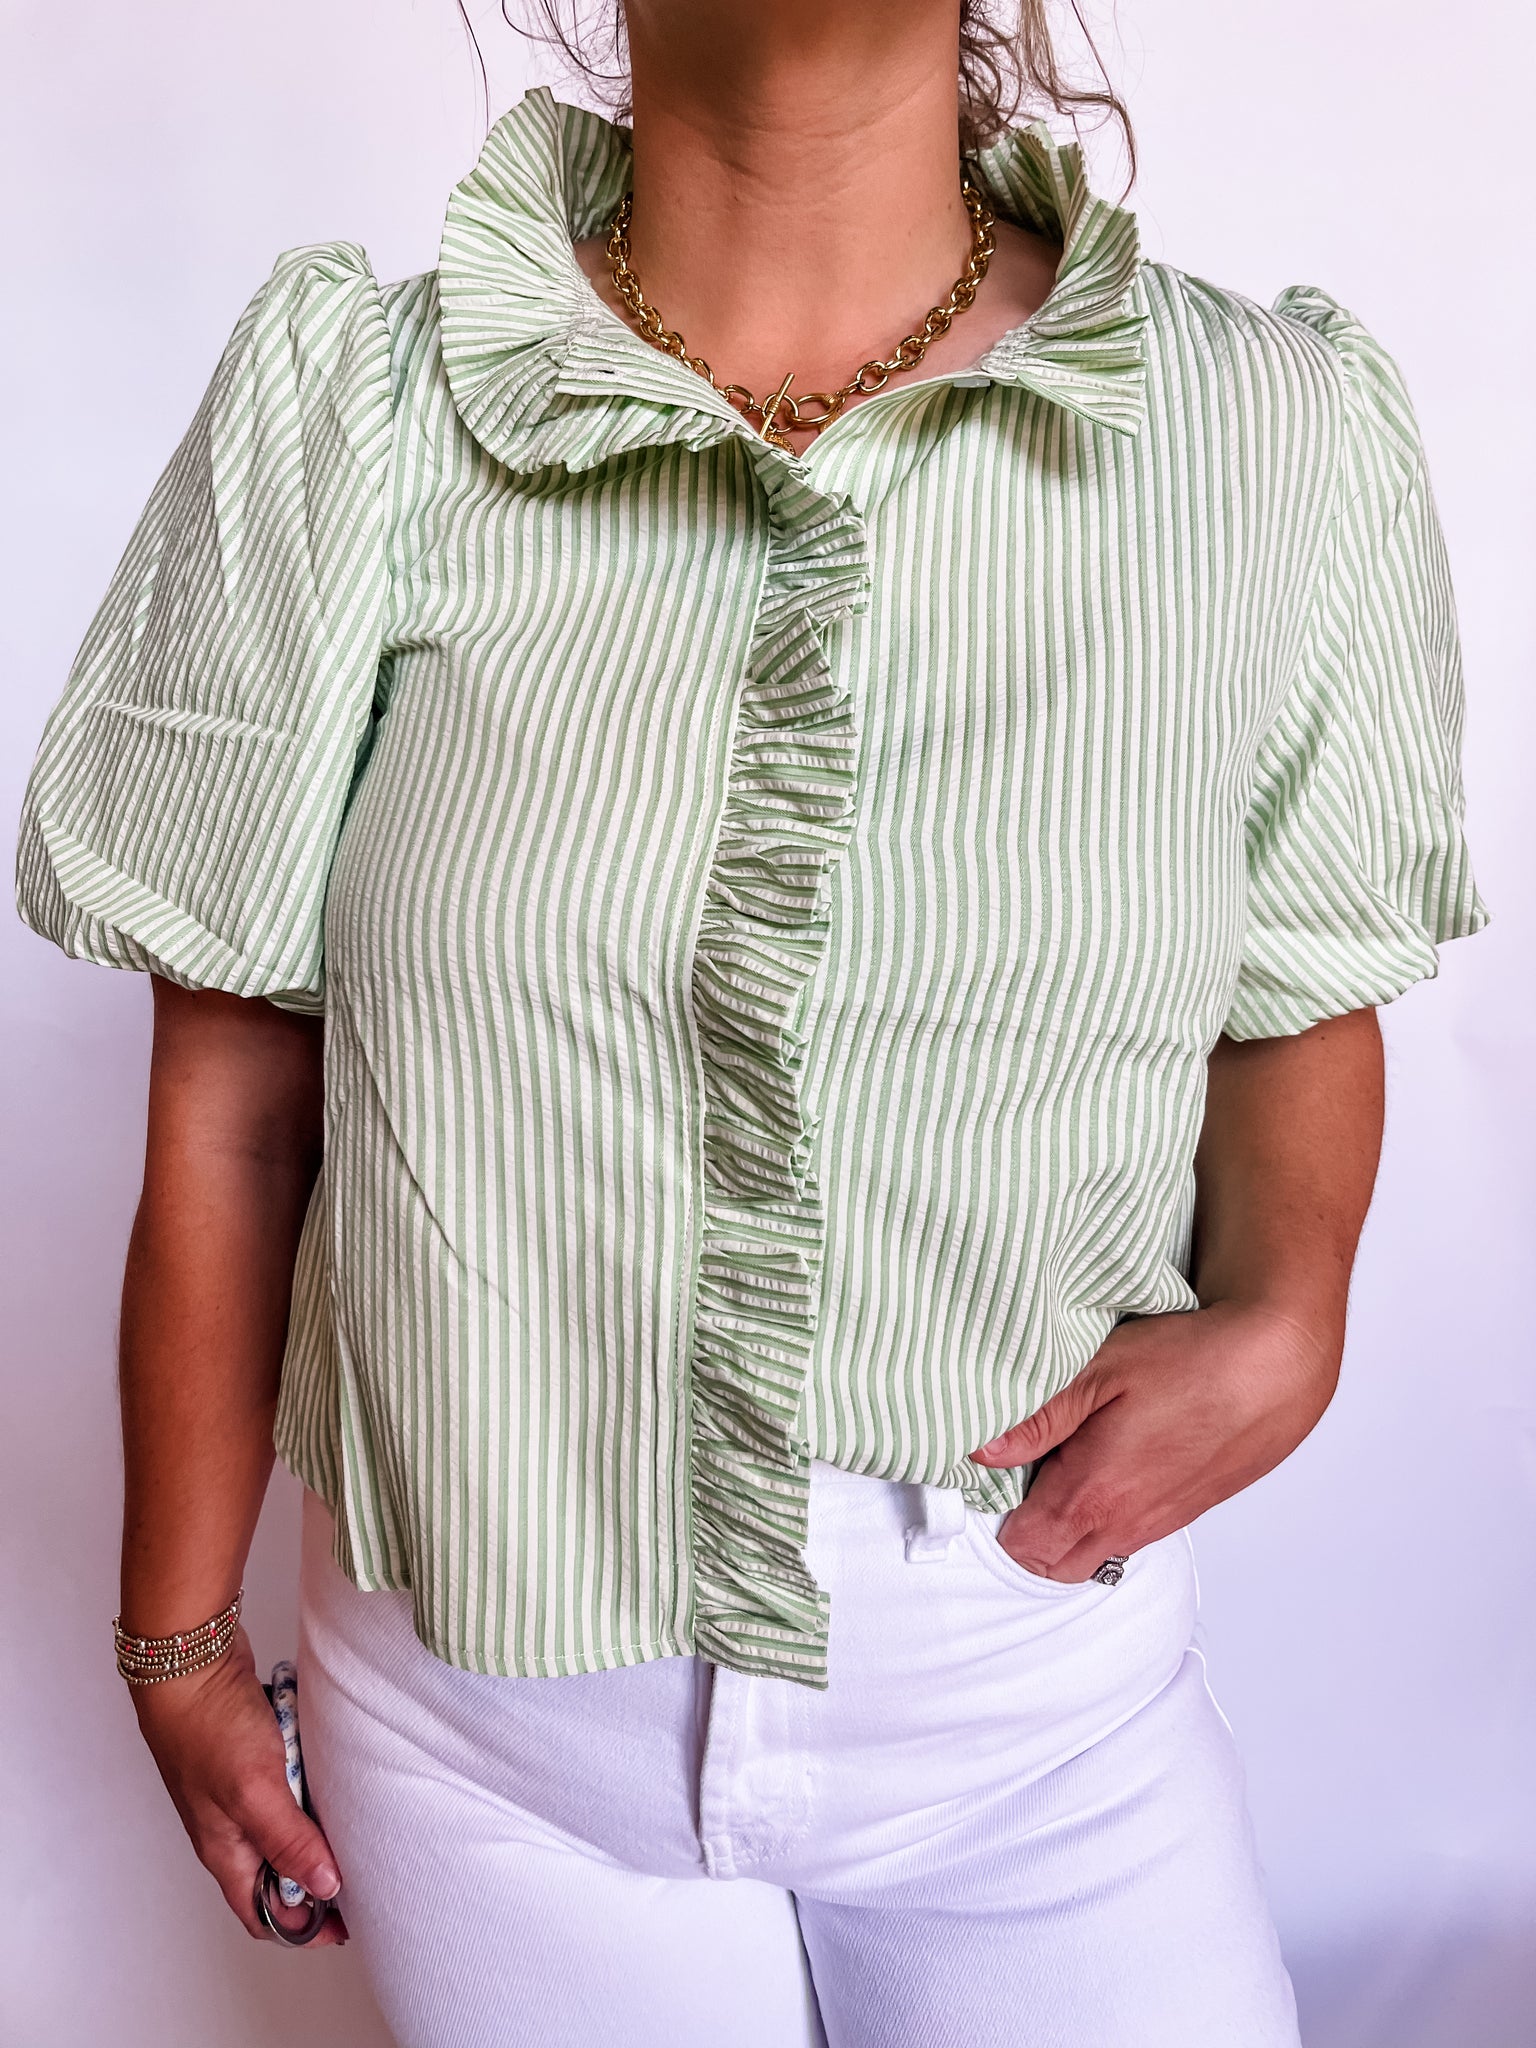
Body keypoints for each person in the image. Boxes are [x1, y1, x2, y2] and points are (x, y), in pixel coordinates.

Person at [14, 2, 1489, 2043]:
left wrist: (1294, 1313)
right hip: (479, 1753)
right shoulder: (360, 408)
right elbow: (237, 1100)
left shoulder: (1269, 437)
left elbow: (1300, 983)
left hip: (1038, 1714)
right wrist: (176, 1639)